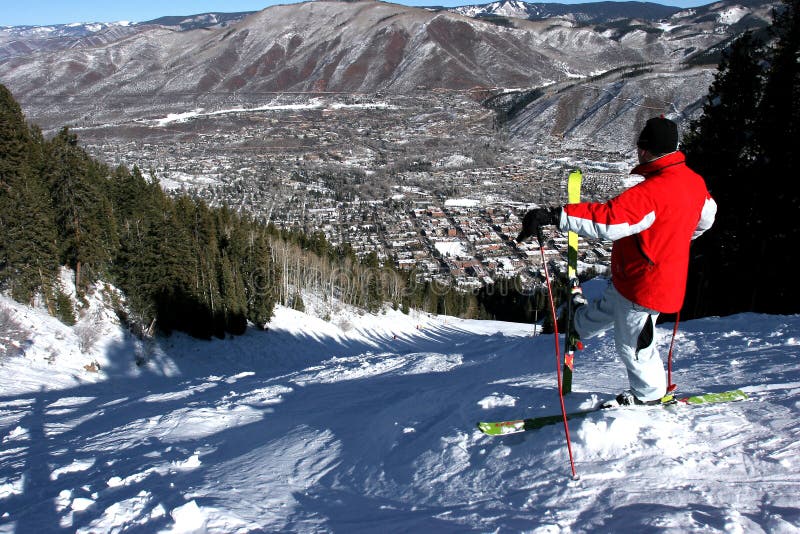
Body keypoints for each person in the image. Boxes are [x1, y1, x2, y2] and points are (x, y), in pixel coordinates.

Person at [516, 116, 717, 405]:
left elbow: (609, 220)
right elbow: (707, 218)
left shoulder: (651, 193)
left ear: (645, 150)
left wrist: (554, 215)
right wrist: (676, 239)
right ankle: (579, 327)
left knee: (634, 346)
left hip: (647, 287)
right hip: (634, 278)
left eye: (640, 146)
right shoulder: (694, 183)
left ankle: (649, 397)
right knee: (610, 306)